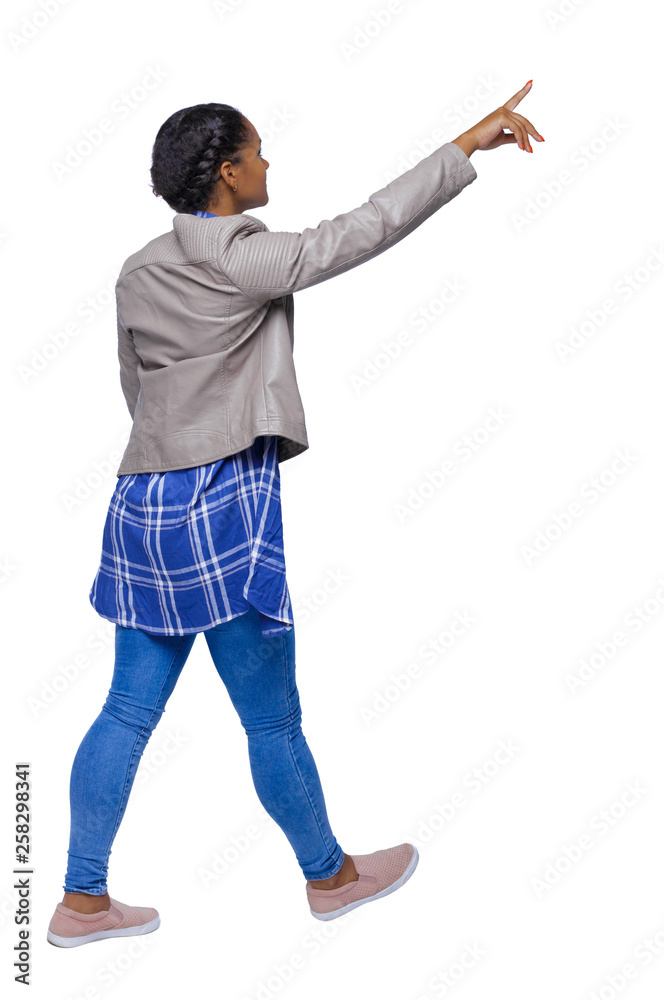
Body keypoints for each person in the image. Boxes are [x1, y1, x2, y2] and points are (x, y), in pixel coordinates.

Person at [47, 82, 543, 948]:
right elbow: (366, 229)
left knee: (127, 709)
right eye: (259, 152)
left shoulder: (140, 269)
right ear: (228, 172)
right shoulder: (244, 256)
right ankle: (331, 879)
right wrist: (466, 144)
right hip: (221, 502)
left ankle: (80, 900)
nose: (269, 163)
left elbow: (137, 387)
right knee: (271, 717)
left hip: (141, 499)